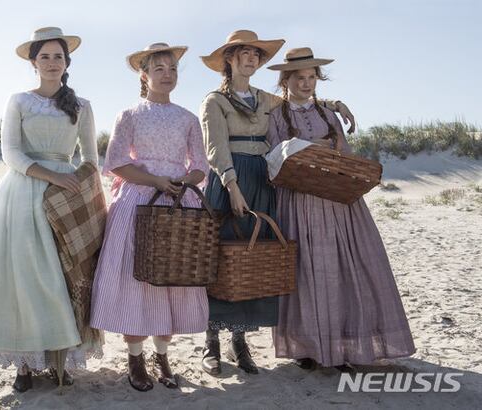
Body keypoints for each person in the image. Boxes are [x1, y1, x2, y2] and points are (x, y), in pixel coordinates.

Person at [199, 30, 356, 376]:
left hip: (262, 179)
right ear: (229, 60)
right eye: (243, 53)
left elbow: (300, 100)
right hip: (230, 179)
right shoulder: (214, 101)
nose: (250, 58)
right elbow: (215, 148)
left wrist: (335, 104)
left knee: (252, 258)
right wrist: (232, 185)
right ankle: (211, 342)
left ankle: (239, 341)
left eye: (255, 54)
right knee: (222, 258)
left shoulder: (265, 99)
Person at [0, 27, 99, 392]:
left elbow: (90, 157)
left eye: (58, 56)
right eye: (45, 57)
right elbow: (10, 153)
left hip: (65, 195)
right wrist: (50, 175)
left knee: (62, 278)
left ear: (67, 62)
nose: (52, 63)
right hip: (22, 194)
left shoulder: (82, 105)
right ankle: (23, 364)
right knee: (22, 279)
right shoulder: (19, 101)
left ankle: (58, 360)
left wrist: (76, 185)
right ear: (33, 62)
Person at [266, 47, 416, 371]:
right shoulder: (277, 116)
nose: (306, 83)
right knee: (305, 273)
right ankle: (308, 348)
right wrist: (308, 149)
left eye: (311, 77)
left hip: (337, 201)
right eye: (299, 77)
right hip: (298, 202)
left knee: (343, 269)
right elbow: (274, 158)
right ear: (286, 80)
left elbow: (343, 155)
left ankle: (341, 347)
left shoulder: (328, 114)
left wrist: (329, 151)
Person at [90, 43, 210, 392]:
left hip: (177, 202)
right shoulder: (129, 115)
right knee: (136, 278)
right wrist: (156, 181)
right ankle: (135, 357)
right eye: (159, 68)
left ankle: (162, 355)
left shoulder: (188, 118)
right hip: (139, 199)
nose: (167, 74)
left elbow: (201, 166)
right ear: (144, 75)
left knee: (172, 276)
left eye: (172, 68)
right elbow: (116, 162)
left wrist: (181, 182)